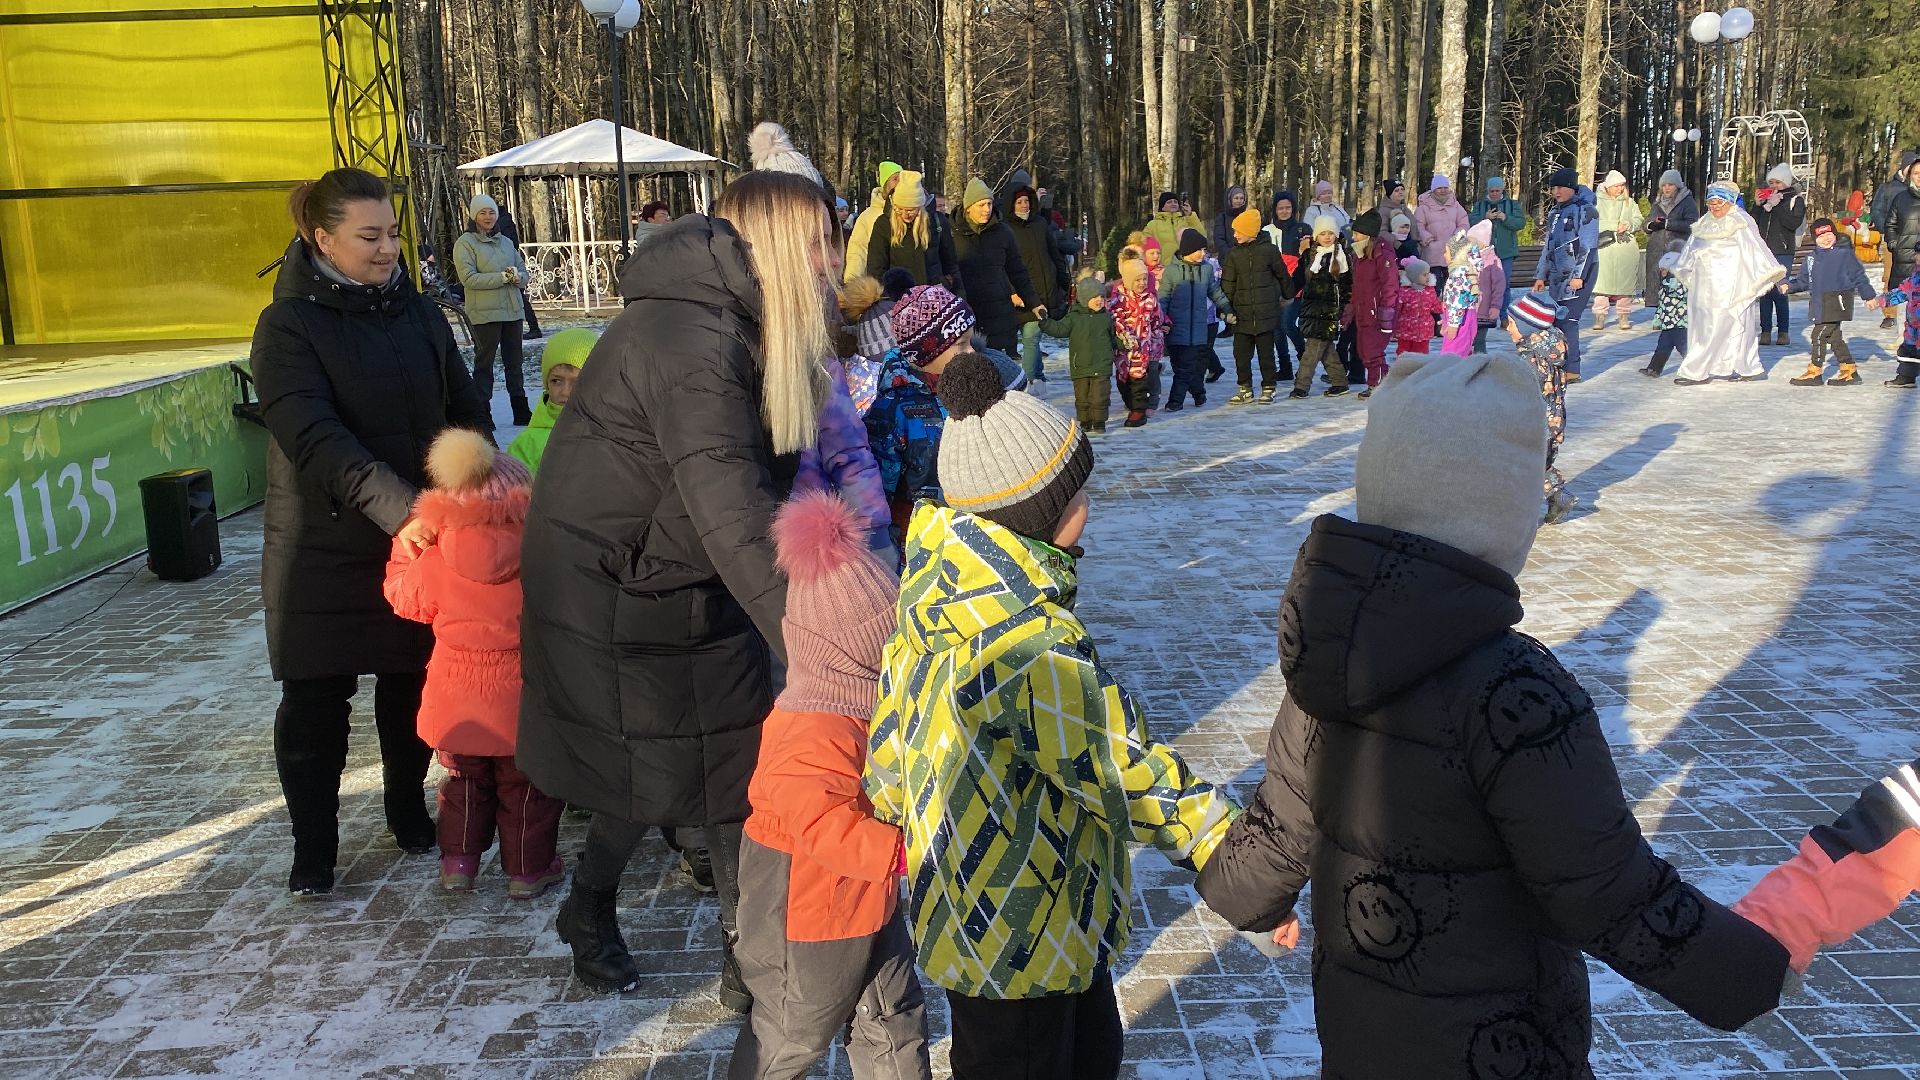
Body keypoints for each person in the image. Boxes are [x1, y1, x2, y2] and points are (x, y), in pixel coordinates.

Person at [1193, 352, 1796, 1078]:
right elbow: (1605, 890)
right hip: (1500, 1049)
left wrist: (1250, 901)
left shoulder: (1329, 659)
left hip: (1364, 1041)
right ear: (1506, 517)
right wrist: (1746, 971)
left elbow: (1276, 820)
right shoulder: (1519, 693)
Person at [518, 170, 841, 1005]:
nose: (832, 262)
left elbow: (744, 500)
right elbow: (733, 509)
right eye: (817, 242)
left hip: (684, 576)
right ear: (768, 246)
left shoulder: (732, 326)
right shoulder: (690, 343)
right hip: (622, 596)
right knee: (648, 773)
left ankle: (748, 954)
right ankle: (590, 908)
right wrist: (824, 651)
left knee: (729, 770)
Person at [866, 352, 1237, 1078]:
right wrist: (1222, 847)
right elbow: (1115, 762)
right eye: (1077, 496)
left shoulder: (932, 596)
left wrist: (897, 809)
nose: (1089, 506)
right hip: (1029, 928)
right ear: (1034, 514)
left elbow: (891, 739)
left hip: (983, 922)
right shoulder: (1029, 639)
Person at [253, 167, 493, 897]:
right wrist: (403, 510)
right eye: (370, 236)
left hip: (418, 538)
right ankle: (313, 848)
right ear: (321, 239)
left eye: (392, 233)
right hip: (323, 546)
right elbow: (314, 435)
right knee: (316, 700)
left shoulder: (418, 315)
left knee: (411, 684)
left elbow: (465, 406)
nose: (388, 248)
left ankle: (404, 805)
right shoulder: (288, 325)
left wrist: (472, 478)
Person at [727, 491, 932, 1080]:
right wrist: (898, 848)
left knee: (891, 1015)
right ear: (851, 650)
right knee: (795, 1029)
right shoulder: (812, 723)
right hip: (805, 913)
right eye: (888, 639)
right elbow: (817, 819)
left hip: (867, 899)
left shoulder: (863, 705)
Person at [383, 429, 563, 899]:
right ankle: (528, 872)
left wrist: (402, 556)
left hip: (455, 702)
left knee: (462, 785)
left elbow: (403, 600)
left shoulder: (438, 559)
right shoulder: (541, 558)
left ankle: (458, 865)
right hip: (522, 702)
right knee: (526, 790)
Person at [864, 285, 974, 543]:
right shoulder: (894, 409)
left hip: (969, 533)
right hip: (919, 542)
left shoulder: (970, 387)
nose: (971, 352)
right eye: (961, 344)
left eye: (970, 340)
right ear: (927, 353)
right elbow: (880, 491)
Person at [1670, 182, 1785, 387]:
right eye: (1711, 202)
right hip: (1702, 286)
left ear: (1729, 202)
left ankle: (1697, 370)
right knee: (1705, 326)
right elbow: (1690, 250)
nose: (1714, 207)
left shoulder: (1740, 221)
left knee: (1729, 325)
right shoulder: (1704, 222)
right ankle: (1727, 366)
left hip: (1730, 284)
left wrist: (1772, 274)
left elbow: (1756, 249)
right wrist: (1683, 267)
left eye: (1719, 203)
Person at [455, 193, 534, 426]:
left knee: (515, 363)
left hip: (512, 311)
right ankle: (482, 412)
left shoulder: (506, 242)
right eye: (483, 212)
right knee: (484, 364)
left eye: (491, 212)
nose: (488, 217)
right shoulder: (465, 244)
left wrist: (518, 278)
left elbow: (523, 273)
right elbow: (469, 279)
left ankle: (520, 409)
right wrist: (502, 277)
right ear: (473, 216)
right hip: (485, 314)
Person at [1505, 290, 1576, 522]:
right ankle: (1558, 498)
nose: (1507, 328)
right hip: (1552, 421)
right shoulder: (1548, 350)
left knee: (1523, 465)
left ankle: (1514, 514)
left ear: (1527, 328)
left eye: (1511, 324)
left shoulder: (1530, 360)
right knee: (1535, 465)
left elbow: (1523, 395)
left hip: (1535, 424)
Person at [952, 177, 1043, 353]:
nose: (987, 209)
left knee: (999, 371)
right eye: (981, 205)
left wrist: (1034, 302)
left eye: (989, 204)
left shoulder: (1003, 232)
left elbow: (1018, 271)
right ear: (969, 207)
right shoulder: (951, 234)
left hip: (1000, 313)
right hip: (967, 314)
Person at [1785, 218, 1878, 387]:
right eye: (1821, 236)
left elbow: (1859, 276)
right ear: (1815, 239)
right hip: (1819, 302)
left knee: (1819, 335)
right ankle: (1849, 370)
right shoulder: (1811, 258)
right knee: (1834, 337)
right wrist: (1789, 287)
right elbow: (1803, 281)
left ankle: (1815, 371)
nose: (1826, 238)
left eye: (1829, 234)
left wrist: (1868, 296)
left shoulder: (1844, 254)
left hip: (1838, 299)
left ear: (1834, 234)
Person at [1533, 168, 1600, 382]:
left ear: (1571, 187)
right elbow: (1548, 247)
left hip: (1580, 273)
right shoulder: (1555, 213)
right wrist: (1540, 276)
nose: (1555, 191)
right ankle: (1558, 363)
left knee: (1569, 318)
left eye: (1560, 187)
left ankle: (1573, 369)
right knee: (1557, 320)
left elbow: (1588, 247)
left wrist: (1579, 275)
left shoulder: (1587, 210)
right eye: (1553, 187)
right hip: (1557, 274)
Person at [1227, 207, 1295, 403]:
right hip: (1242, 313)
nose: (1235, 234)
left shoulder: (1270, 251)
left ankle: (1269, 386)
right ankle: (1245, 387)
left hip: (1266, 313)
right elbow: (1228, 283)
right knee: (1241, 354)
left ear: (1250, 232)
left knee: (1266, 354)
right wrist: (1226, 308)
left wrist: (1288, 293)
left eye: (1238, 231)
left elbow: (1282, 274)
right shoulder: (1233, 255)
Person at [1159, 228, 1232, 411]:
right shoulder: (1172, 272)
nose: (1203, 254)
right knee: (1180, 367)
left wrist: (1227, 309)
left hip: (1198, 330)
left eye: (1204, 250)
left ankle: (1175, 402)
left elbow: (1215, 292)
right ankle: (1199, 393)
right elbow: (1163, 298)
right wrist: (1161, 320)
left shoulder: (1206, 270)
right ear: (1187, 251)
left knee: (1185, 368)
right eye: (1198, 250)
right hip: (1175, 329)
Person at [506, 327, 597, 473]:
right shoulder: (527, 445)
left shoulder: (616, 433)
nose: (565, 392)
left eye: (577, 382)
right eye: (556, 381)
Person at [1041, 276, 1123, 434]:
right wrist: (1045, 323)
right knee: (1082, 397)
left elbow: (1112, 339)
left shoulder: (1106, 318)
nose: (1099, 300)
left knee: (1100, 396)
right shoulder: (1074, 318)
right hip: (1081, 365)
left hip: (1102, 365)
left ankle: (1099, 422)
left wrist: (1124, 344)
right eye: (1095, 297)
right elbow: (1059, 329)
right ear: (1085, 299)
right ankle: (1085, 421)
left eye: (1101, 297)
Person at [1003, 177, 1063, 382]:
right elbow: (1002, 264)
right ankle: (1029, 379)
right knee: (1030, 335)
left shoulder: (1040, 223)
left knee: (1033, 335)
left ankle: (1037, 374)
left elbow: (1054, 253)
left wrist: (1062, 279)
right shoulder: (1005, 228)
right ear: (1011, 204)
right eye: (1019, 202)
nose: (1024, 205)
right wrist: (1012, 291)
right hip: (1021, 292)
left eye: (1027, 201)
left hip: (1045, 287)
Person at [1290, 219, 1352, 399]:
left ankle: (1301, 386)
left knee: (1312, 351)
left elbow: (1347, 285)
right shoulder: (1310, 255)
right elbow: (1298, 279)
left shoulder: (1342, 256)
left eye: (1330, 233)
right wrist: (1285, 292)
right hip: (1310, 309)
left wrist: (1343, 309)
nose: (1327, 237)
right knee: (1326, 350)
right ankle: (1340, 382)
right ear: (1316, 235)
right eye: (1323, 233)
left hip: (1330, 311)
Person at [1108, 247, 1169, 427]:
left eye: (1144, 279)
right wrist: (1124, 334)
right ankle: (1131, 403)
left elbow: (1157, 319)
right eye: (1138, 280)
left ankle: (1139, 411)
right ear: (1128, 280)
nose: (1142, 283)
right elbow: (1115, 318)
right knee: (1123, 379)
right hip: (1125, 349)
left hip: (1145, 347)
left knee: (1140, 380)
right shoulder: (1119, 298)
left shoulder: (1150, 298)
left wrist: (1163, 326)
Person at [1752, 163, 1807, 346]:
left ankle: (1783, 331)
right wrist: (1759, 205)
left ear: (1786, 182)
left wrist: (1778, 206)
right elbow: (1753, 224)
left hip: (1783, 251)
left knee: (1780, 290)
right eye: (1771, 182)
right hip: (1764, 251)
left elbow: (1792, 223)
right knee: (1765, 292)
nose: (1774, 186)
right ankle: (1765, 331)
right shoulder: (1767, 201)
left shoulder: (1795, 200)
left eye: (1778, 182)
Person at [1348, 209, 1400, 398]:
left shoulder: (1383, 255)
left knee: (1372, 350)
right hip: (1363, 311)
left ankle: (1376, 384)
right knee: (1363, 349)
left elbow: (1390, 284)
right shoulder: (1359, 256)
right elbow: (1357, 287)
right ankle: (1384, 379)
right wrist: (1350, 310)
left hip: (1378, 312)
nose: (1353, 237)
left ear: (1367, 234)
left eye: (1356, 233)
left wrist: (1386, 312)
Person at [865, 171, 950, 288]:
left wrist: (957, 294)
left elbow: (951, 265)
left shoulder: (937, 222)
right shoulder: (884, 224)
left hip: (934, 297)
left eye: (911, 210)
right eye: (899, 209)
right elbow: (876, 269)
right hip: (897, 299)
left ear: (920, 207)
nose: (905, 214)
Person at [1468, 176, 1526, 331]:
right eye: (1491, 191)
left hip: (1505, 252)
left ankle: (1503, 316)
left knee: (1504, 285)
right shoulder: (1480, 205)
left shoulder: (1512, 205)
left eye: (1497, 191)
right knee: (1482, 285)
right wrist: (1484, 218)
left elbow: (1520, 223)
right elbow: (1471, 223)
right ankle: (1483, 315)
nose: (1494, 193)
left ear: (1502, 190)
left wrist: (1504, 217)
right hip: (1483, 252)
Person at [1592, 169, 1645, 330]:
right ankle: (1599, 317)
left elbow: (1638, 219)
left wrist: (1628, 225)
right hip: (1605, 248)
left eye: (1622, 185)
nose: (1620, 189)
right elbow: (1591, 222)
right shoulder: (1596, 202)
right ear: (1608, 186)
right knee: (1602, 285)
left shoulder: (1629, 202)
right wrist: (1613, 226)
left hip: (1625, 248)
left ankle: (1624, 316)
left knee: (1625, 286)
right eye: (1616, 186)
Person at [1877, 152, 1920, 332]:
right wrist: (1894, 243)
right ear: (1910, 175)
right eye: (1917, 173)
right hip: (1904, 258)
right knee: (1905, 297)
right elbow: (1890, 223)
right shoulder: (1901, 198)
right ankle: (1905, 338)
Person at [1643, 170, 1699, 307]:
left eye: (1670, 185)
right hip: (1656, 250)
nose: (1666, 188)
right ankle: (1657, 312)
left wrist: (1668, 224)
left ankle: (1675, 313)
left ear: (1677, 186)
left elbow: (1692, 224)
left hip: (1677, 249)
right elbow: (1645, 225)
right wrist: (1652, 225)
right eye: (1664, 185)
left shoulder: (1687, 202)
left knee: (1675, 285)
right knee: (1656, 285)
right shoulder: (1657, 203)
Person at [846, 160, 903, 285]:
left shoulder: (910, 212)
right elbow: (858, 251)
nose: (900, 182)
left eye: (902, 178)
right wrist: (851, 284)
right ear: (885, 184)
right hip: (880, 284)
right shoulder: (867, 216)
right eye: (895, 179)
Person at [492, 204, 543, 341]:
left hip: (508, 265)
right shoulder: (504, 221)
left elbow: (510, 244)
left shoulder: (502, 222)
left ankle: (533, 327)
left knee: (518, 295)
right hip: (507, 264)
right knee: (514, 296)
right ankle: (529, 327)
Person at [1413, 175, 1468, 300]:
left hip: (1452, 252)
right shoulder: (1423, 207)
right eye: (1439, 188)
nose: (1443, 190)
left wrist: (1457, 237)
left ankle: (1451, 314)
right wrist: (1427, 239)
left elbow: (1464, 223)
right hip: (1432, 252)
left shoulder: (1456, 205)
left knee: (1454, 288)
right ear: (1433, 190)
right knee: (1434, 288)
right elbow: (1418, 226)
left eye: (1445, 187)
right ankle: (1434, 316)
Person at [1870, 259, 1920, 387]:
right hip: (1913, 327)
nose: (1918, 258)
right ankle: (1906, 377)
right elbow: (1902, 291)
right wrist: (1881, 301)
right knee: (1908, 351)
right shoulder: (1915, 277)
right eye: (1917, 254)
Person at [1641, 252, 1690, 377]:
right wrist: (1657, 320)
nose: (1662, 272)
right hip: (1667, 325)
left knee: (1685, 348)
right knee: (1662, 348)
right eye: (1661, 269)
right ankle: (1654, 368)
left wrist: (1672, 284)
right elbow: (1662, 306)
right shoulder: (1663, 286)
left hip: (1681, 325)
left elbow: (1681, 294)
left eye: (1665, 269)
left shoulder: (1683, 283)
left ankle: (1695, 368)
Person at [1439, 229, 1484, 357]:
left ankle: (1451, 375)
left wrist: (1453, 323)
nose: (1444, 255)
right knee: (1464, 351)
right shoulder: (1467, 272)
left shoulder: (1458, 275)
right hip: (1466, 318)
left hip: (1459, 322)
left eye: (1447, 252)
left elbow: (1457, 302)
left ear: (1457, 255)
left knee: (1452, 355)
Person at [1393, 257, 1444, 359]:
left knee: (1421, 355)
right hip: (1405, 331)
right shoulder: (1404, 291)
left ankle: (1420, 372)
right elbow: (1397, 309)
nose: (1427, 277)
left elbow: (1436, 307)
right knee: (1403, 354)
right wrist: (1392, 325)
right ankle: (1403, 371)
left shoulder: (1430, 291)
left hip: (1424, 331)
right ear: (1414, 276)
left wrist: (1444, 305)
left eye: (1428, 274)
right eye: (1424, 274)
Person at [1472, 223, 1510, 355]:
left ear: (1482, 243)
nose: (1469, 244)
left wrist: (1495, 306)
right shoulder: (1469, 258)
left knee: (1479, 340)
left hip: (1484, 309)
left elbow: (1499, 286)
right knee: (1468, 339)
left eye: (1472, 241)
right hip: (1470, 308)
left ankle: (1480, 363)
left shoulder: (1492, 261)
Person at [1143, 190, 1205, 254]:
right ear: (1162, 207)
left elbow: (1202, 237)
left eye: (1175, 202)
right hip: (1163, 263)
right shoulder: (1153, 225)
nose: (1173, 204)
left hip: (1185, 263)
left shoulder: (1187, 221)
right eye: (1169, 202)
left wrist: (1190, 215)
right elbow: (1143, 244)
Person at [1210, 184, 1251, 254]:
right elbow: (1219, 240)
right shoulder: (1222, 218)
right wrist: (1230, 254)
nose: (1239, 201)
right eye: (1236, 198)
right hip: (1226, 258)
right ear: (1230, 199)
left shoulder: (1248, 217)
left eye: (1241, 198)